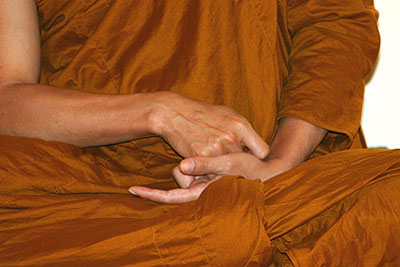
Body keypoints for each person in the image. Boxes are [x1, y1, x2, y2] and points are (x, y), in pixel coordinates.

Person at [3, 1, 397, 266]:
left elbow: (336, 24)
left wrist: (278, 165)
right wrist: (160, 113)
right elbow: (7, 96)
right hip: (95, 185)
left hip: (281, 175)